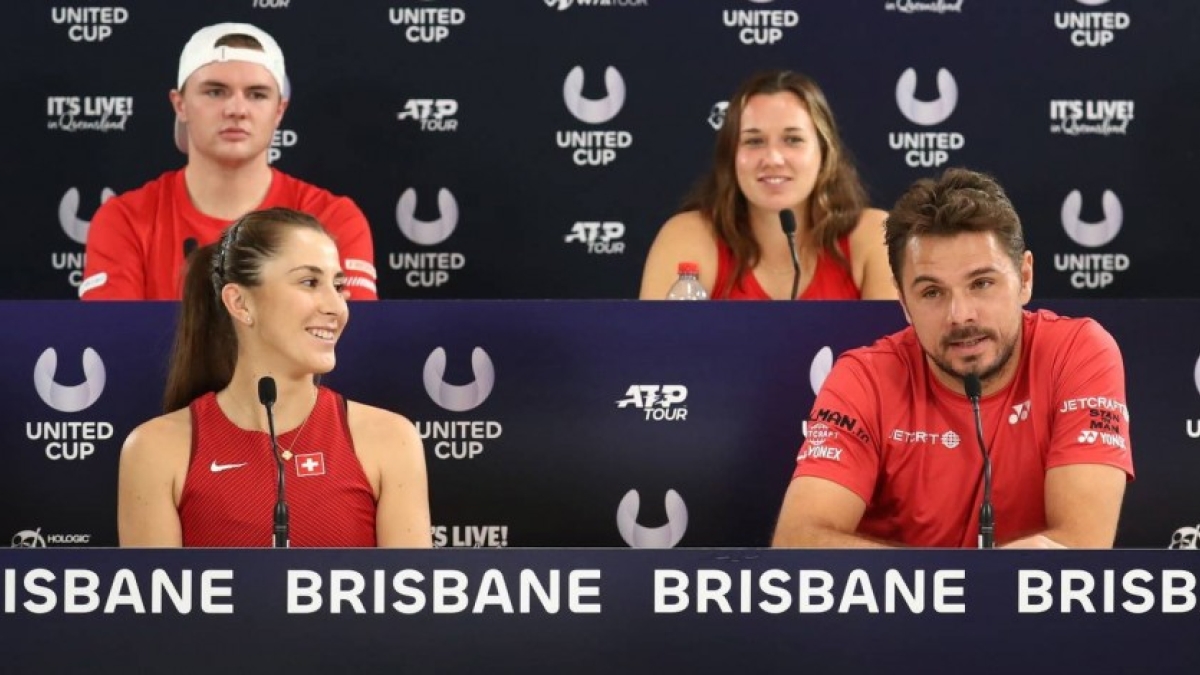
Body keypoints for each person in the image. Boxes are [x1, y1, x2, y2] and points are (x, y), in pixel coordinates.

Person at [772, 167, 1133, 548]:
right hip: (900, 609)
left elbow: (1082, 548)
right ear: (904, 303)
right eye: (932, 293)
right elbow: (799, 541)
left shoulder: (1078, 352)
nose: (960, 316)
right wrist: (959, 584)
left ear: (1025, 278)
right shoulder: (862, 377)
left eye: (981, 284)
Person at [117, 208, 429, 547]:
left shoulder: (390, 440)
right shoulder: (154, 449)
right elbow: (159, 598)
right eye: (310, 282)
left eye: (338, 286)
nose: (336, 307)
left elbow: (407, 597)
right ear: (239, 303)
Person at [80, 22, 378, 301]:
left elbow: (352, 342)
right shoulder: (124, 221)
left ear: (279, 111)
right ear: (180, 104)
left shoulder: (334, 220)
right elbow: (114, 343)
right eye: (215, 92)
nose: (236, 109)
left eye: (257, 94)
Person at [639, 70, 895, 301]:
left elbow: (896, 351)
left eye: (792, 139)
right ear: (731, 156)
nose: (773, 158)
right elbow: (656, 348)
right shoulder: (689, 235)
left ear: (825, 152)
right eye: (754, 141)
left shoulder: (872, 235)